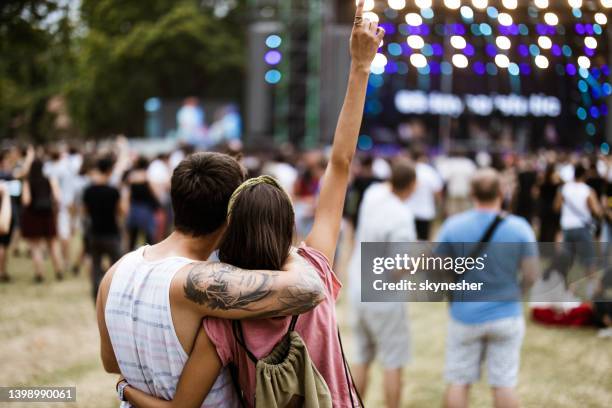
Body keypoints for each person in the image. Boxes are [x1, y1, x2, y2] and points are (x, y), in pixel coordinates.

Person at [118, 5, 383, 407]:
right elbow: (341, 163)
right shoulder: (316, 270)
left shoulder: (220, 322)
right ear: (290, 223)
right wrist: (360, 67)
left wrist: (124, 389)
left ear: (231, 226)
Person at [97, 152, 327, 407]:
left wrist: (127, 388)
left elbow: (111, 363)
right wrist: (286, 249)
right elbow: (311, 288)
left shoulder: (116, 272)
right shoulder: (197, 280)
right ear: (232, 214)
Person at [435, 168, 539, 408]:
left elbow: (438, 268)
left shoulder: (453, 226)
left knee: (458, 381)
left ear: (472, 193)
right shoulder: (520, 227)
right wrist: (518, 294)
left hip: (464, 315)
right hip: (507, 314)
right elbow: (532, 274)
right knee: (503, 384)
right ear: (502, 193)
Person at [348, 158, 417, 408]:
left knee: (361, 357)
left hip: (359, 286)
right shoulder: (402, 216)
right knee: (393, 361)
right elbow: (398, 269)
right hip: (384, 297)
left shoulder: (373, 194)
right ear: (412, 185)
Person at [555, 163, 602, 298]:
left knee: (567, 261)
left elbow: (556, 206)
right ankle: (591, 290)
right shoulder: (587, 190)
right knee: (589, 260)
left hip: (566, 228)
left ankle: (566, 290)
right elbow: (596, 210)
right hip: (582, 228)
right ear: (584, 175)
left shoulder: (564, 188)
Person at [82, 157, 125, 301]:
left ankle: (97, 297)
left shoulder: (88, 190)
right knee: (118, 268)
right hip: (111, 233)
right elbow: (121, 211)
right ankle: (116, 296)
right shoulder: (113, 191)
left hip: (94, 233)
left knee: (95, 267)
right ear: (109, 171)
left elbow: (85, 211)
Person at [21, 158, 65, 282]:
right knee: (53, 244)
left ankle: (40, 274)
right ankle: (59, 271)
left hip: (33, 216)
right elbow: (57, 197)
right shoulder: (49, 179)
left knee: (35, 247)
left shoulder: (27, 181)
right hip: (48, 215)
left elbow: (26, 200)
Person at [406, 149, 443, 240]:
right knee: (423, 243)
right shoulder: (430, 172)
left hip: (408, 211)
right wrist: (440, 207)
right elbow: (437, 192)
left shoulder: (408, 170)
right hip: (425, 212)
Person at [124, 156, 160, 249]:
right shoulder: (147, 177)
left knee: (133, 237)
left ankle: (130, 254)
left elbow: (127, 195)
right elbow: (155, 193)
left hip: (134, 208)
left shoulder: (131, 177)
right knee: (149, 238)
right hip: (146, 209)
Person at [536, 163, 561, 243]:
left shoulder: (542, 183)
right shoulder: (556, 184)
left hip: (543, 208)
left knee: (543, 229)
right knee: (553, 230)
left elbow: (537, 194)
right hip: (553, 208)